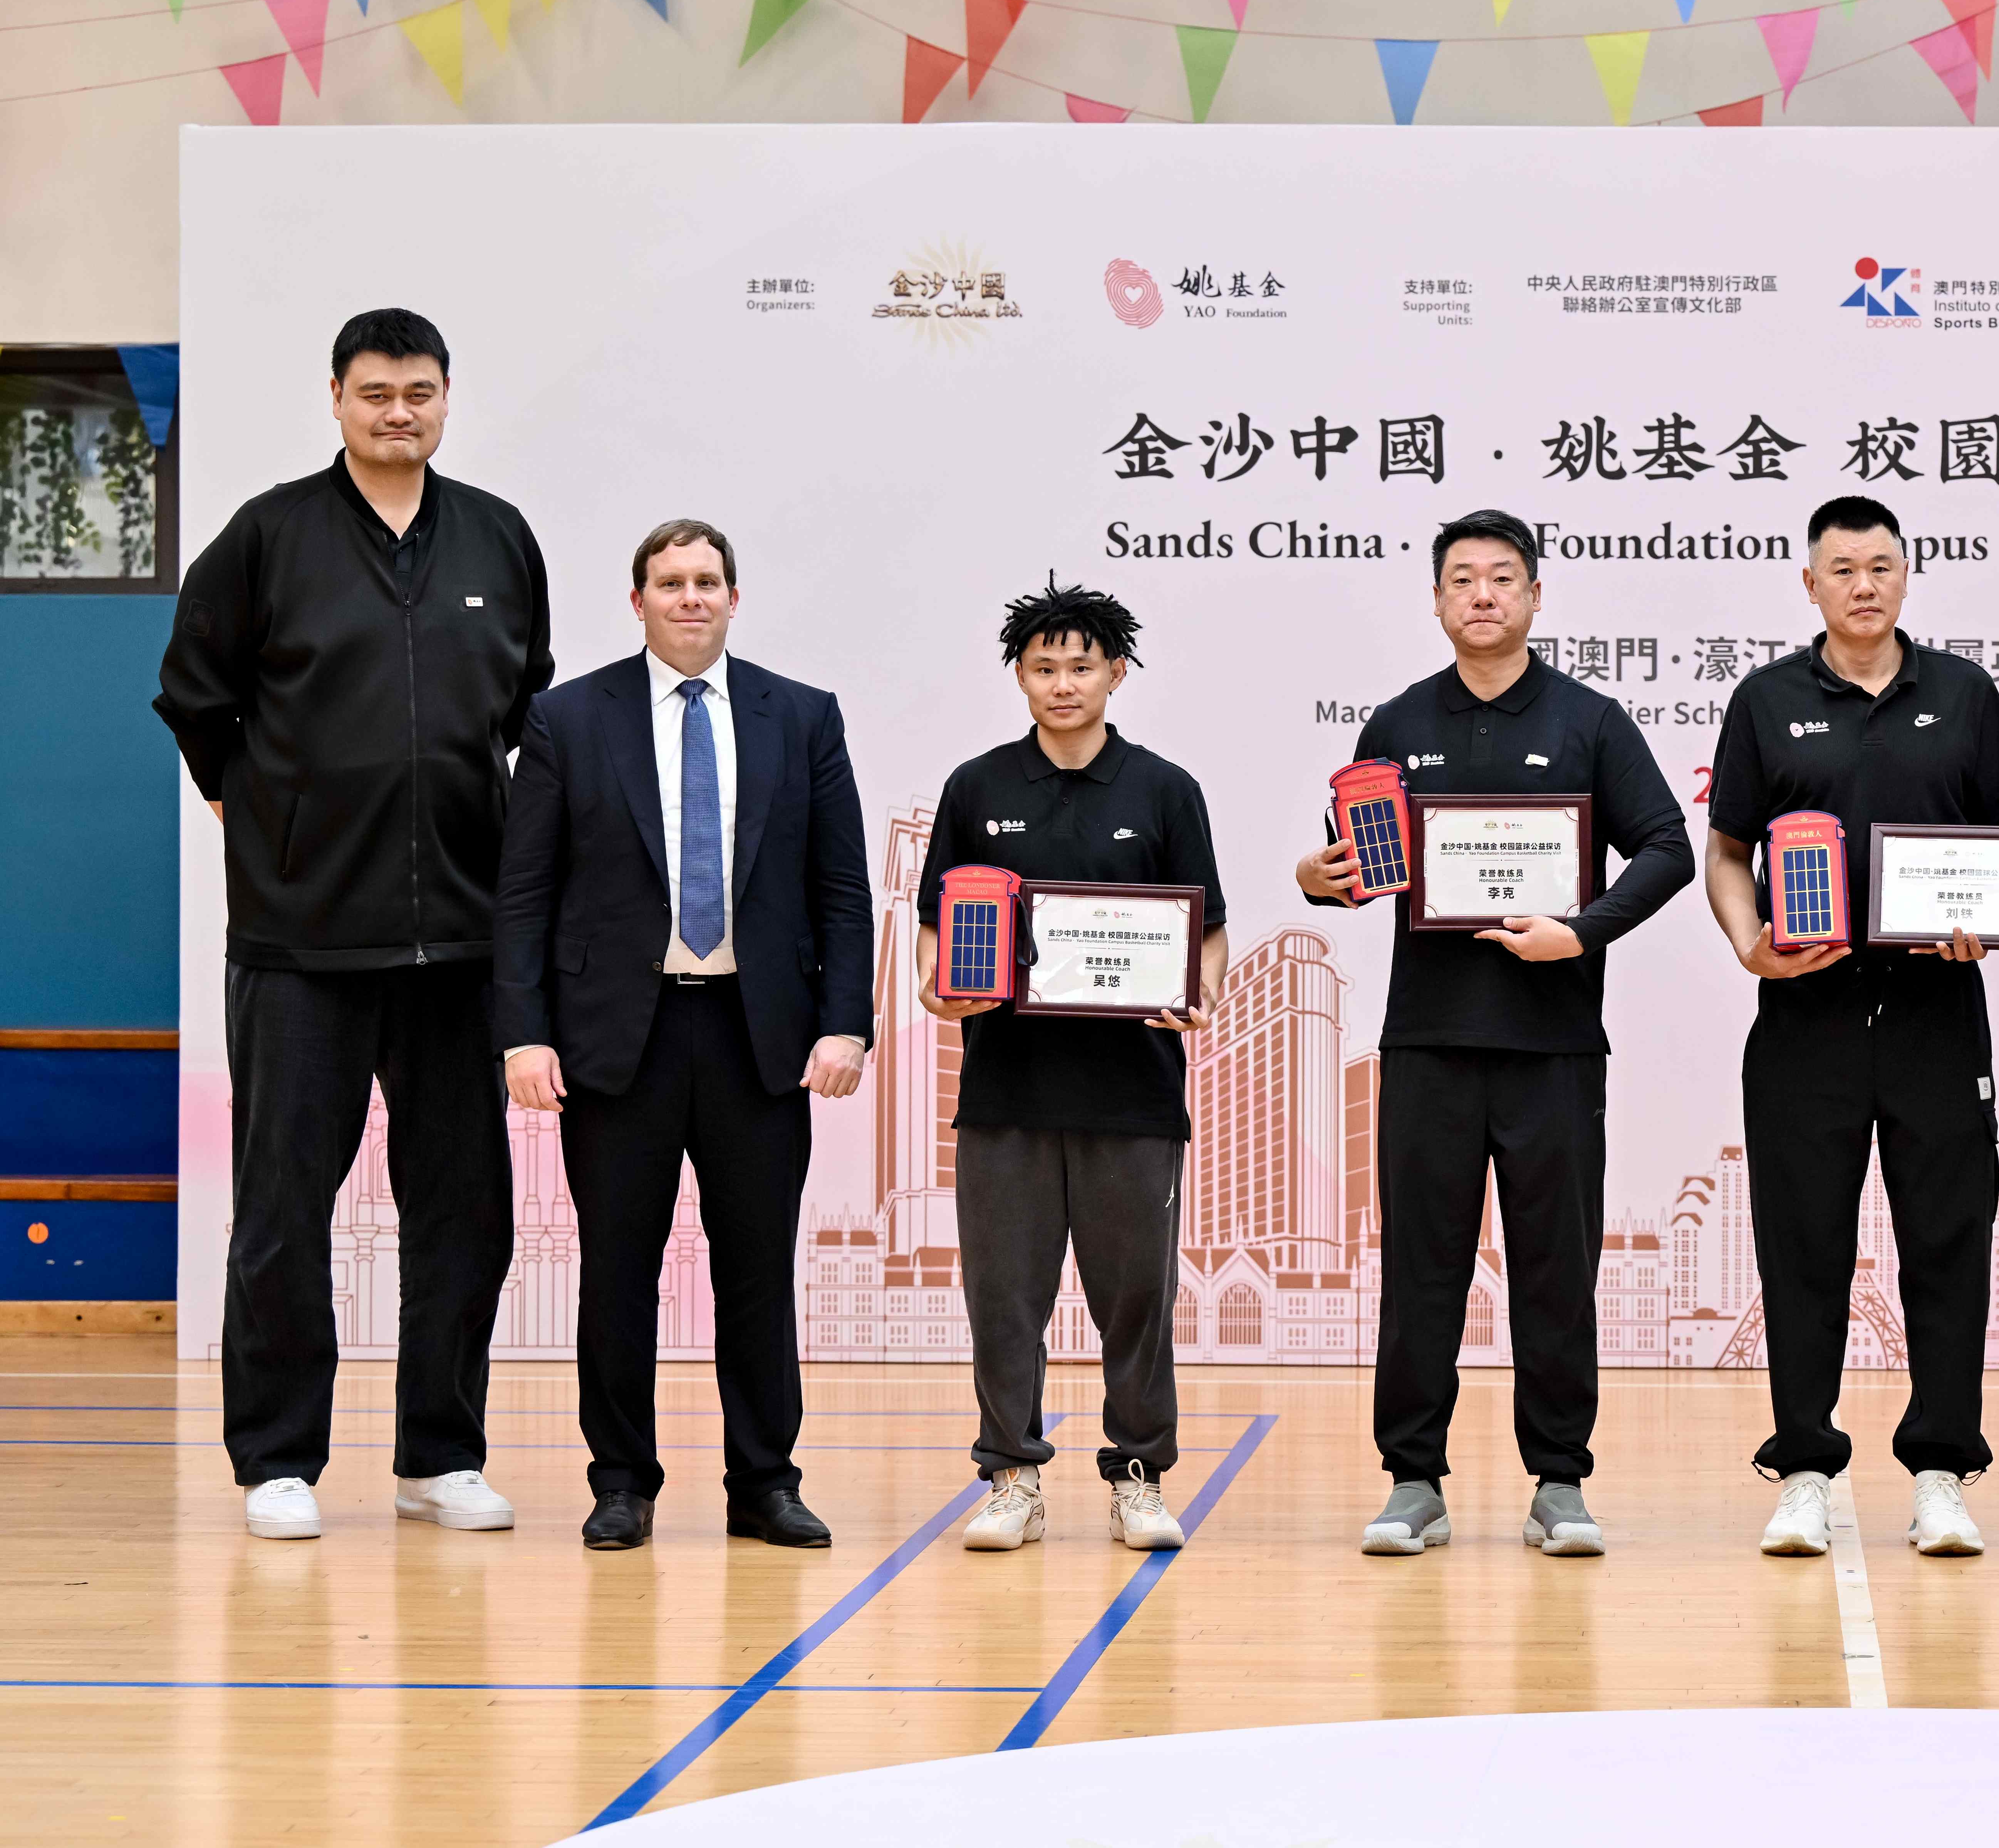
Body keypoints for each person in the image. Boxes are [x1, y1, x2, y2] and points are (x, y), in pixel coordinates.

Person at [155, 308, 550, 1542]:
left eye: (418, 392)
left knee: (465, 1212)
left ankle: (441, 1456)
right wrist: (268, 817)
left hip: (461, 945)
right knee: (284, 1210)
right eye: (375, 392)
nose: (397, 412)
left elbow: (523, 708)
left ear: (447, 398)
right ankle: (277, 1459)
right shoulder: (269, 534)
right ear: (336, 398)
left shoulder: (497, 535)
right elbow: (195, 697)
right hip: (302, 943)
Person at [1296, 510, 1689, 1558]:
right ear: (1436, 601)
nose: (1482, 594)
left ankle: (1559, 1481)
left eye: (1503, 577)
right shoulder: (1395, 723)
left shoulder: (1590, 720)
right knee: (1420, 1267)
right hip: (1427, 1037)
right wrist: (1316, 879)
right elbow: (1355, 864)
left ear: (1535, 597)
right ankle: (1412, 1481)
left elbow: (1667, 846)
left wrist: (1582, 930)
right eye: (1462, 578)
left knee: (1554, 1270)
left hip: (1552, 1044)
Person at [492, 519, 870, 1551]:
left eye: (707, 581)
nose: (690, 597)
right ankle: (621, 1482)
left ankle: (765, 1483)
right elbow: (524, 894)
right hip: (619, 1039)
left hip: (760, 1037)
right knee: (618, 1271)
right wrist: (523, 1034)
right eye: (670, 582)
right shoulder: (568, 719)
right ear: (638, 601)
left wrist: (845, 1023)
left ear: (734, 599)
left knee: (758, 1271)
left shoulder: (802, 716)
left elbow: (841, 888)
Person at [1704, 495, 1999, 1560]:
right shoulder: (1764, 701)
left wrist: (1984, 921)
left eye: (1880, 566)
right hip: (1805, 1015)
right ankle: (1804, 1468)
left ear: (1905, 575)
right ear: (1810, 584)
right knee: (1802, 1246)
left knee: (1947, 1244)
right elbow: (1727, 852)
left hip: (1938, 1014)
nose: (1863, 584)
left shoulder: (1963, 694)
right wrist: (1749, 940)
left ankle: (1940, 1472)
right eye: (1842, 568)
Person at [917, 579, 1229, 1556]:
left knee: (1136, 1299)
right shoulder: (978, 787)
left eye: (1081, 666)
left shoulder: (1165, 789)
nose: (1062, 683)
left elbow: (1206, 931)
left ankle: (1139, 1475)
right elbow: (935, 932)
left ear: (1116, 673)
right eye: (1043, 666)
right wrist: (939, 991)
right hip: (1006, 1091)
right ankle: (1011, 1476)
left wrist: (1200, 992)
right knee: (1004, 1298)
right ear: (1019, 675)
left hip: (1134, 1093)